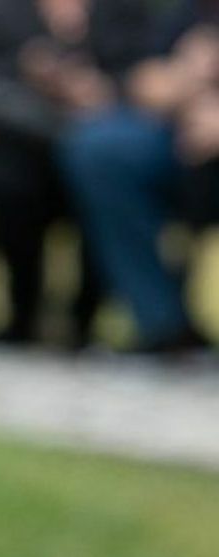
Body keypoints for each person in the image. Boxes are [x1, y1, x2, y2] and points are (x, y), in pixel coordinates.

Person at [0, 0, 152, 348]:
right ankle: (22, 314)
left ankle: (84, 322)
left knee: (104, 172)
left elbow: (147, 75)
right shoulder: (2, 11)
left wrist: (100, 93)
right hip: (29, 151)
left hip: (101, 157)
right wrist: (55, 107)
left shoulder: (124, 11)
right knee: (10, 179)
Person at [57, 0, 219, 354]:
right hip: (181, 135)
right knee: (100, 147)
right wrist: (185, 83)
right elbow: (145, 77)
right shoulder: (189, 12)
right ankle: (164, 324)